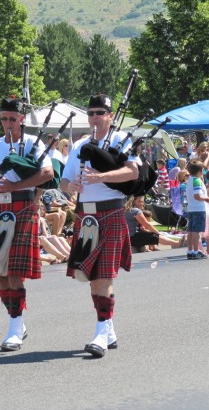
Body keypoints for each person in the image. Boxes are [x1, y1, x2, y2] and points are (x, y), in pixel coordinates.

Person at [61, 93, 140, 358]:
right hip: (86, 216)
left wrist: (101, 177)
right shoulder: (79, 145)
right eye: (91, 112)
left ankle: (100, 334)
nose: (94, 117)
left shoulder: (121, 140)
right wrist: (69, 187)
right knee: (93, 278)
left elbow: (133, 172)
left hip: (111, 211)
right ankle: (108, 329)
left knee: (103, 276)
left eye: (100, 113)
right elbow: (64, 180)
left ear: (110, 115)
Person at [0, 97, 54, 352]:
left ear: (21, 119)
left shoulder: (33, 143)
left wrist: (15, 185)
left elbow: (47, 174)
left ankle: (14, 326)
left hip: (23, 205)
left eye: (12, 119)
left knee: (14, 272)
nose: (7, 123)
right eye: (4, 119)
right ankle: (16, 322)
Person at [186, 161, 209, 260]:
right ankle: (196, 251)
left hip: (191, 208)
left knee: (190, 230)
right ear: (199, 171)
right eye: (202, 169)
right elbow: (197, 195)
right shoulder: (197, 181)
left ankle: (190, 250)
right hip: (198, 209)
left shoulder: (190, 180)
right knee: (197, 231)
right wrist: (207, 198)